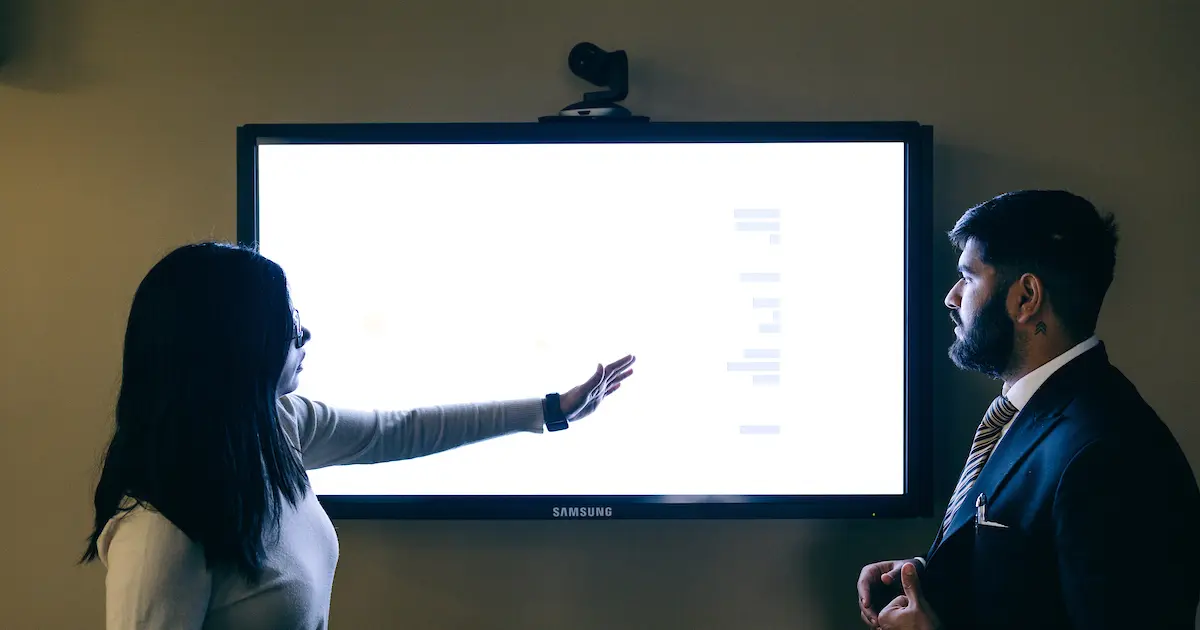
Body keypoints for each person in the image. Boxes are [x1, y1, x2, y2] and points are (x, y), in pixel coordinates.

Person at [79, 242, 636, 629]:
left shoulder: (276, 427)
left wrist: (551, 410)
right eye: (288, 321)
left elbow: (401, 431)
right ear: (238, 345)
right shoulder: (157, 535)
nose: (306, 332)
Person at [856, 190, 1200, 630]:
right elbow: (1033, 578)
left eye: (968, 277)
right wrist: (929, 580)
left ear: (1026, 298)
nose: (952, 297)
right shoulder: (1037, 409)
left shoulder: (1114, 453)